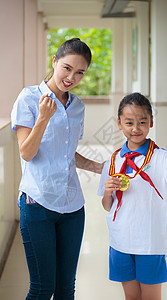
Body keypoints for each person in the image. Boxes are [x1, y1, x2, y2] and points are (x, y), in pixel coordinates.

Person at [11, 38, 104, 300]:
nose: (71, 77)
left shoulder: (77, 107)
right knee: (42, 289)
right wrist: (42, 118)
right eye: (67, 68)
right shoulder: (29, 98)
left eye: (80, 72)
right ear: (54, 61)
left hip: (73, 207)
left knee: (66, 290)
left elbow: (66, 153)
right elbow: (27, 153)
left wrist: (101, 167)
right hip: (37, 203)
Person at [97, 92, 167, 300]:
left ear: (151, 122)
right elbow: (108, 206)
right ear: (119, 124)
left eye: (142, 122)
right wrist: (108, 191)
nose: (135, 128)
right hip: (120, 240)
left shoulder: (160, 157)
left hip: (149, 242)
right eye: (129, 122)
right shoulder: (114, 160)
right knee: (131, 297)